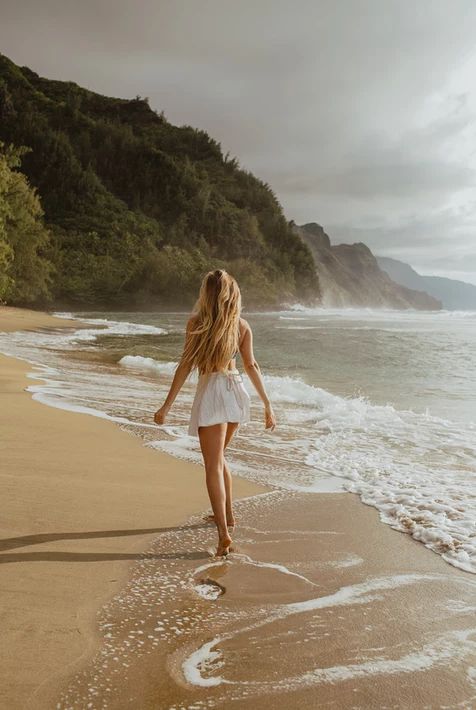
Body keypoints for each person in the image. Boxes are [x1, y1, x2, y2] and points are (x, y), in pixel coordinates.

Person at [153, 269, 276, 557]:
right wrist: (267, 404)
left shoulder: (197, 323)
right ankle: (229, 517)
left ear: (206, 294)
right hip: (236, 391)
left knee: (212, 466)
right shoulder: (242, 325)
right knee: (219, 459)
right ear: (233, 294)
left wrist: (166, 405)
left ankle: (223, 536)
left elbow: (185, 365)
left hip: (212, 393)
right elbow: (252, 366)